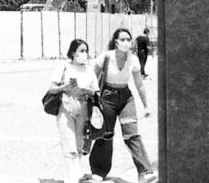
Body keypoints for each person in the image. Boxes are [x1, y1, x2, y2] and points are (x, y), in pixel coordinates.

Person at [88, 28, 157, 183]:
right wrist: (93, 97)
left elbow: (139, 84)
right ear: (116, 41)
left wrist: (146, 106)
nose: (126, 42)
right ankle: (99, 170)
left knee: (132, 134)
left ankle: (144, 172)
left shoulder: (133, 59)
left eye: (128, 39)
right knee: (106, 134)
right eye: (123, 39)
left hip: (126, 98)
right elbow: (92, 76)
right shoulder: (105, 57)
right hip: (107, 97)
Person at [46, 39, 99, 183]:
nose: (84, 54)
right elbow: (52, 88)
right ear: (73, 52)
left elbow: (96, 91)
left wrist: (89, 91)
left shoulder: (89, 70)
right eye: (81, 51)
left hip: (83, 110)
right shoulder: (63, 67)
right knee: (70, 150)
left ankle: (72, 177)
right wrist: (64, 87)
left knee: (79, 147)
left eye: (86, 51)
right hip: (65, 108)